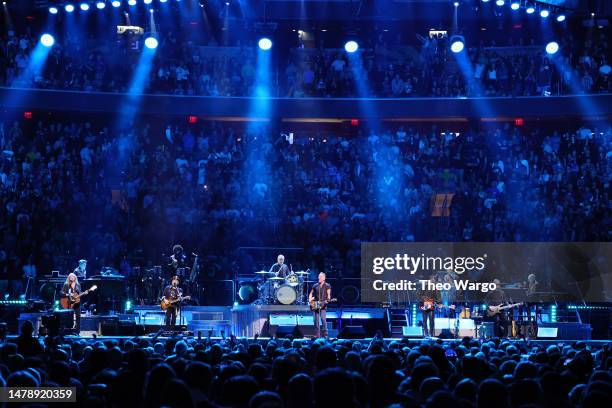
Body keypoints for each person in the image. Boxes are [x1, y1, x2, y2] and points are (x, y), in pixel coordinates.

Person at [309, 272, 332, 338]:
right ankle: (317, 334)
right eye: (319, 276)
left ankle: (325, 334)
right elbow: (311, 293)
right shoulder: (315, 285)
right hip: (315, 305)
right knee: (316, 320)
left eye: (321, 276)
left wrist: (326, 301)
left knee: (323, 319)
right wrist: (310, 299)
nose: (319, 277)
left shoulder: (327, 285)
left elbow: (329, 297)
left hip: (323, 305)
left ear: (324, 278)